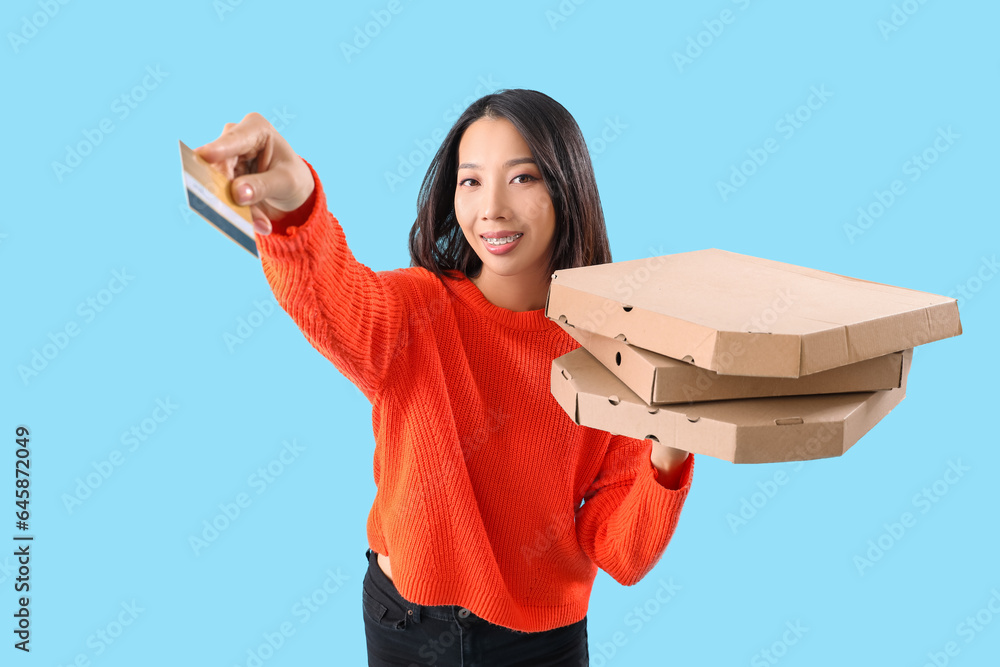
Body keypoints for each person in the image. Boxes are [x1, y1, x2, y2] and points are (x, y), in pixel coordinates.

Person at [195, 88, 694, 666]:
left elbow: (622, 554)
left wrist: (673, 448)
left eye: (523, 178)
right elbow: (334, 299)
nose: (493, 208)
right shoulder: (415, 310)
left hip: (540, 643)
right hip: (405, 623)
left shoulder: (615, 355)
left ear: (568, 187)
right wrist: (297, 206)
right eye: (471, 180)